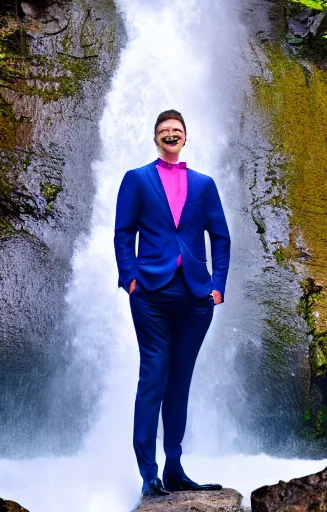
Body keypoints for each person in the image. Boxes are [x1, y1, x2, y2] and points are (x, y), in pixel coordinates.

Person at [114, 109, 231, 497]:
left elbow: (221, 237)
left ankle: (175, 467)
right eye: (164, 129)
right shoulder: (137, 179)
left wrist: (218, 285)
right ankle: (148, 473)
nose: (170, 134)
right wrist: (130, 279)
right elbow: (122, 232)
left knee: (180, 381)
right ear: (155, 137)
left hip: (196, 297)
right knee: (154, 378)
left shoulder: (204, 184)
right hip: (151, 294)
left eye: (176, 129)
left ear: (185, 137)